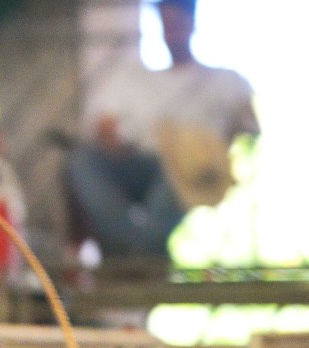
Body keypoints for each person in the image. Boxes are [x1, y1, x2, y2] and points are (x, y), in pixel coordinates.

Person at [64, 0, 258, 265]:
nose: (172, 30)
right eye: (167, 23)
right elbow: (103, 126)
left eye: (177, 22)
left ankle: (128, 259)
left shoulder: (225, 81)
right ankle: (143, 254)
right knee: (81, 162)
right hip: (137, 163)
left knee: (176, 175)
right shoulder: (132, 78)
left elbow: (248, 131)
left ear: (192, 23)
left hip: (191, 169)